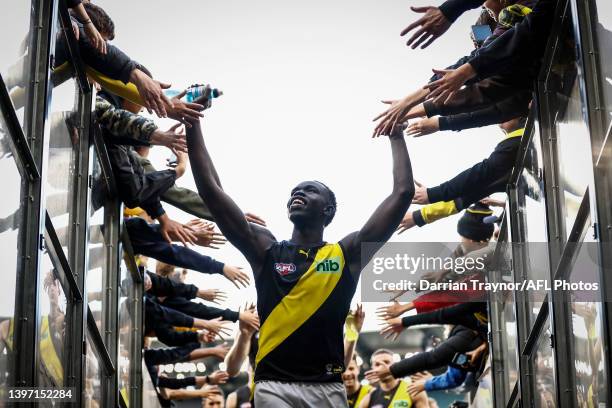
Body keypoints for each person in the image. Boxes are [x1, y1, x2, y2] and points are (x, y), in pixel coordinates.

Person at [187, 107, 414, 407]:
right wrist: (191, 121)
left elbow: (402, 193)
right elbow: (212, 192)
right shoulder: (266, 249)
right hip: (273, 386)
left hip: (328, 389)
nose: (298, 193)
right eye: (295, 190)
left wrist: (396, 135)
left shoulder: (346, 254)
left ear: (328, 210)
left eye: (310, 190)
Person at [360, 349, 429, 408]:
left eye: (387, 362)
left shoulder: (413, 390)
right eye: (377, 364)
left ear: (395, 365)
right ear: (372, 368)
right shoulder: (368, 398)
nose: (382, 367)